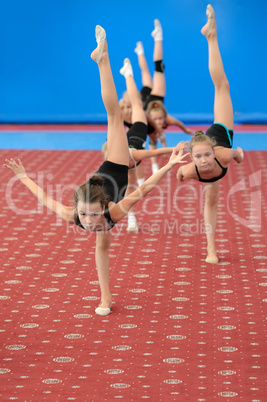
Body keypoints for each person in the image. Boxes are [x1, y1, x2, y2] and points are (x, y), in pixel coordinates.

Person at [4, 25, 188, 316]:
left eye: (91, 214)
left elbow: (143, 188)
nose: (87, 221)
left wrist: (167, 163)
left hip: (115, 162)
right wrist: (24, 178)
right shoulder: (81, 213)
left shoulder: (110, 212)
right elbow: (44, 198)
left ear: (104, 207)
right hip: (111, 172)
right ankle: (106, 297)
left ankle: (103, 59)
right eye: (85, 214)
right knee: (102, 245)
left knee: (114, 114)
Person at [176, 5, 244, 264]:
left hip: (221, 129)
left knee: (221, 85)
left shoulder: (221, 155)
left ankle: (211, 35)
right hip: (213, 154)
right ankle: (211, 249)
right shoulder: (192, 169)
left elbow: (237, 156)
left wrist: (237, 155)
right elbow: (180, 174)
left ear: (212, 152)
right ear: (192, 157)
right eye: (199, 157)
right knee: (211, 201)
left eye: (206, 155)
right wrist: (181, 171)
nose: (203, 160)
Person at [134, 19, 194, 173]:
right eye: (160, 119)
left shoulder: (150, 125)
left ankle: (141, 51)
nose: (161, 121)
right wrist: (186, 130)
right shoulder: (167, 119)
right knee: (157, 67)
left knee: (147, 72)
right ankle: (158, 37)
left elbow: (153, 143)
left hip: (147, 98)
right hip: (155, 98)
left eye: (160, 120)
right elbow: (179, 124)